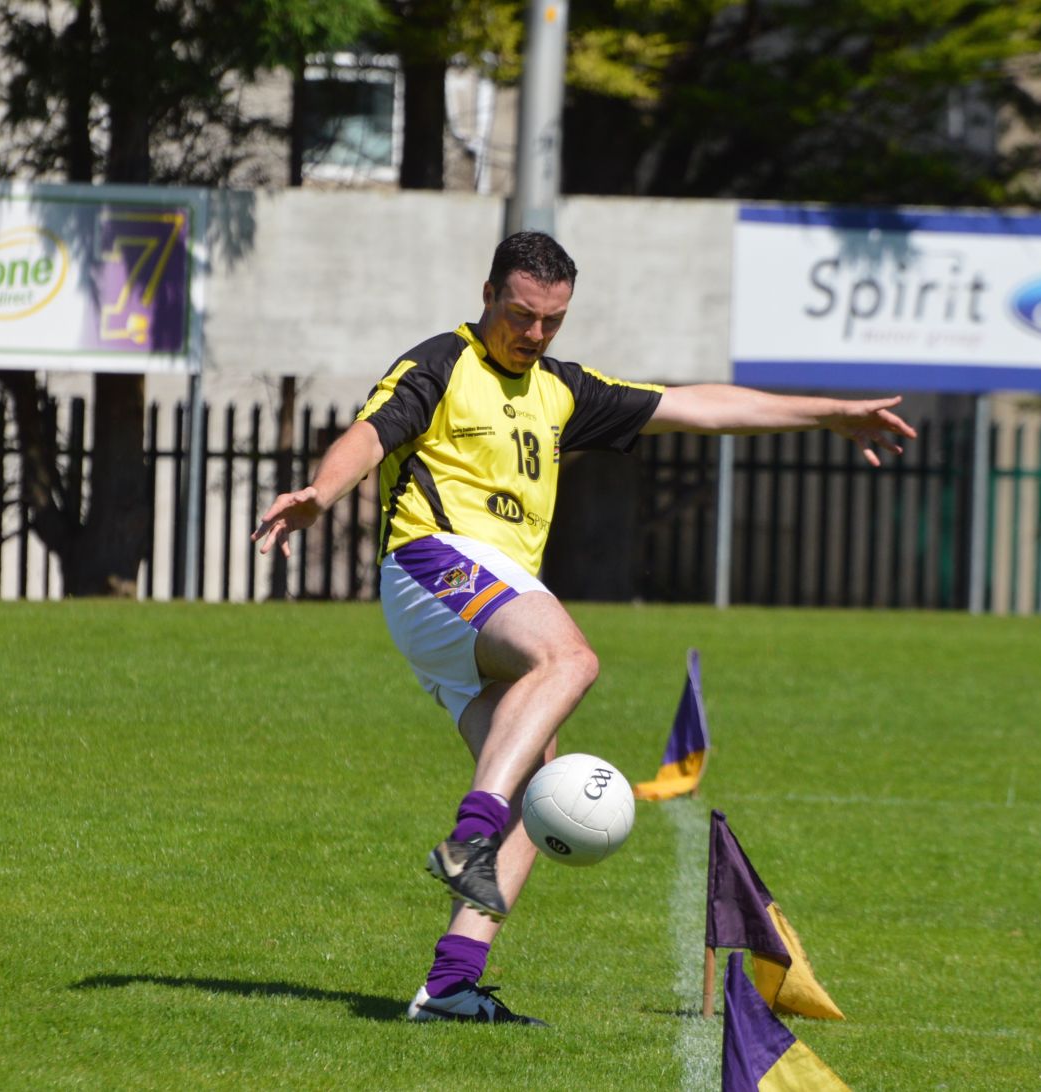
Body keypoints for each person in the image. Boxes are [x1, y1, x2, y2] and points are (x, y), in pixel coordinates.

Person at [252, 231, 915, 1025]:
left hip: (486, 607)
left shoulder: (563, 390)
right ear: (489, 291)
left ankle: (452, 984)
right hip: (433, 564)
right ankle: (469, 835)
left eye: (552, 321)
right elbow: (370, 434)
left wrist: (827, 413)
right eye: (521, 314)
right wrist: (322, 493)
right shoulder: (441, 362)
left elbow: (698, 404)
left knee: (545, 790)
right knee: (570, 657)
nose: (533, 335)